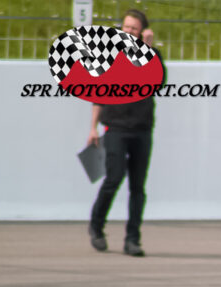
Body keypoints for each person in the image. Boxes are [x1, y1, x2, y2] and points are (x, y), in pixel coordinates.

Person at [87, 9, 156, 257]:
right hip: (115, 128)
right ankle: (96, 226)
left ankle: (132, 239)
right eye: (126, 27)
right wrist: (93, 128)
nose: (128, 32)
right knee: (113, 179)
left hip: (141, 130)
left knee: (138, 187)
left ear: (143, 32)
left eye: (134, 28)